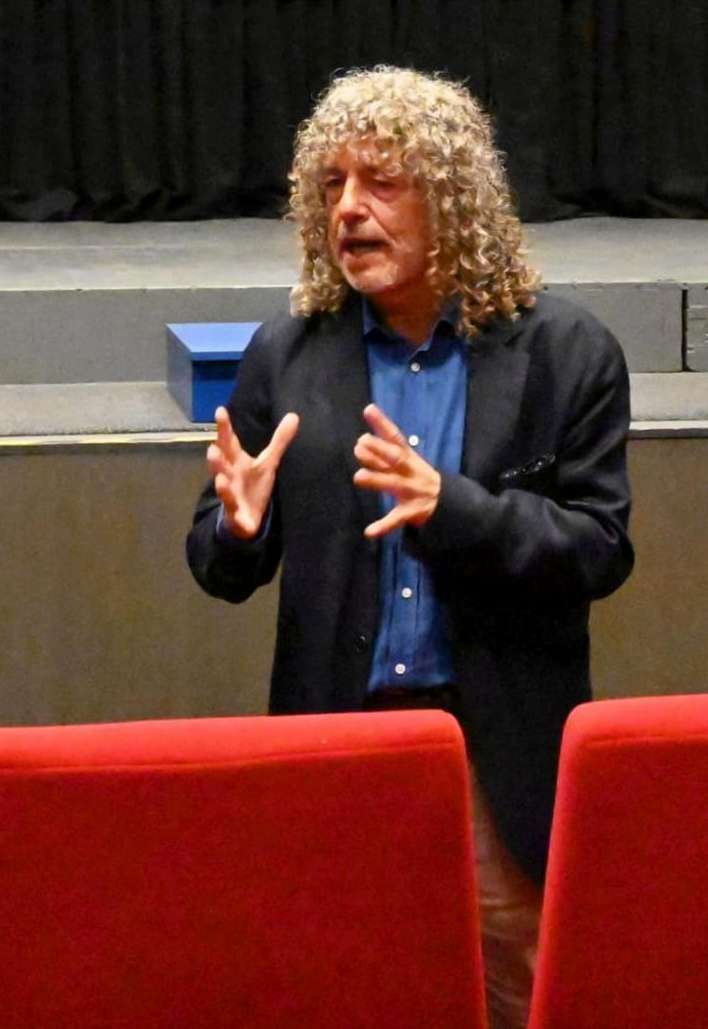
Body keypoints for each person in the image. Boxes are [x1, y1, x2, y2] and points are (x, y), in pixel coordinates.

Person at [185, 66, 632, 1029]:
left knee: (521, 993)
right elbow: (219, 563)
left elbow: (600, 547)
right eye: (332, 184)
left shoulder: (566, 352)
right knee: (342, 989)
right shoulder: (288, 352)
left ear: (453, 198)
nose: (348, 208)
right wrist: (236, 527)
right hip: (337, 743)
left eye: (381, 182)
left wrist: (451, 508)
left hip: (492, 753)